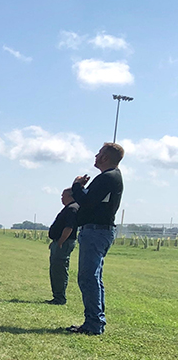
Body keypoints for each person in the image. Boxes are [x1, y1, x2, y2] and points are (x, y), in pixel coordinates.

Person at [67, 142, 124, 335]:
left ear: (106, 158)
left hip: (96, 231)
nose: (96, 156)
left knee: (88, 278)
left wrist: (76, 186)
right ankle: (95, 321)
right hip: (100, 231)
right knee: (94, 278)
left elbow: (87, 202)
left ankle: (94, 324)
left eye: (99, 153)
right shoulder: (112, 177)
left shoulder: (107, 178)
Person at [46, 188, 79, 305]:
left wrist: (60, 241)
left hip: (64, 243)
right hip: (60, 242)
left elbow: (69, 228)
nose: (61, 198)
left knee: (59, 270)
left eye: (63, 196)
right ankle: (57, 296)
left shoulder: (72, 208)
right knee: (55, 269)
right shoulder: (69, 208)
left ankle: (60, 298)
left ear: (70, 196)